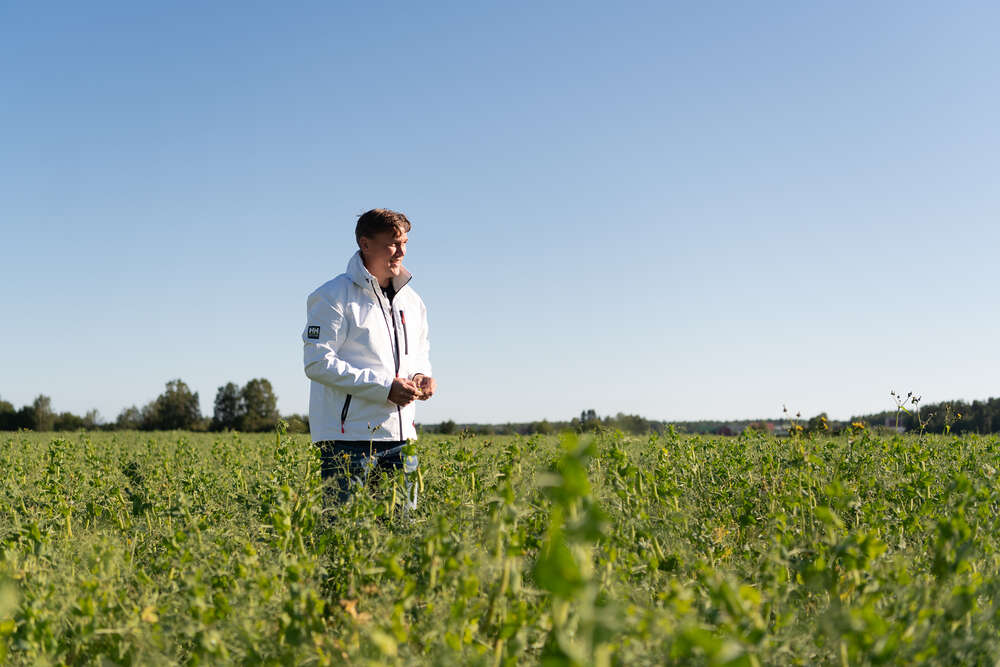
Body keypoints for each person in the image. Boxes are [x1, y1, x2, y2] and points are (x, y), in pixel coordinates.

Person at [303, 208, 436, 509]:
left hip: (402, 438)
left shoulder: (413, 301)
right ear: (365, 244)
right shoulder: (332, 296)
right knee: (344, 530)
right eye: (393, 243)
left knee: (402, 530)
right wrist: (385, 388)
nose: (401, 251)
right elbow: (317, 362)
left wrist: (420, 376)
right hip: (348, 440)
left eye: (404, 243)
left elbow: (420, 353)